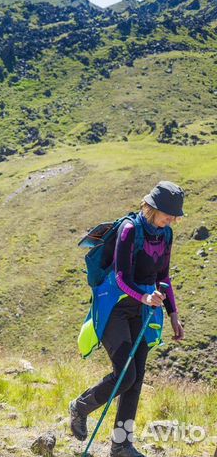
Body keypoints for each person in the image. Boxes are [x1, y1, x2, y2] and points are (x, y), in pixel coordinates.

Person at [70, 181, 186, 457]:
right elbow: (121, 277)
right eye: (167, 214)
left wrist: (173, 315)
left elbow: (163, 276)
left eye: (174, 216)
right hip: (115, 306)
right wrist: (144, 297)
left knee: (136, 378)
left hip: (143, 309)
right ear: (152, 208)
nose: (171, 219)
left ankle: (121, 445)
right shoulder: (129, 230)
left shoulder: (165, 234)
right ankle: (80, 406)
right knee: (125, 374)